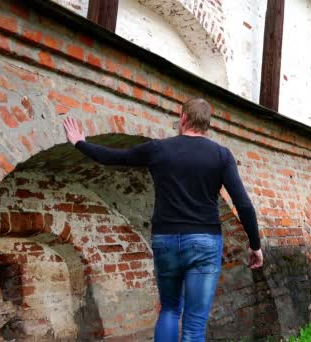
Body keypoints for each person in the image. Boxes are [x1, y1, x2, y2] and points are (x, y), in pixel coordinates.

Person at [63, 98, 263, 342]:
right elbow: (243, 204)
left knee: (169, 309)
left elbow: (113, 156)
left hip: (166, 241)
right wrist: (255, 245)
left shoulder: (159, 149)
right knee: (195, 324)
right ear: (208, 125)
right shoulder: (221, 155)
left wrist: (80, 143)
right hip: (205, 242)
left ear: (183, 119)